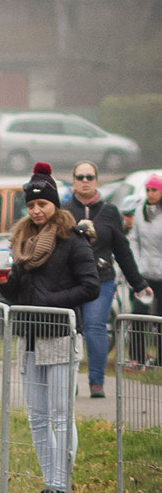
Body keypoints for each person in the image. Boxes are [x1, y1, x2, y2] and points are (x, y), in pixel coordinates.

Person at [0, 162, 98, 493]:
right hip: (30, 338)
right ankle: (50, 485)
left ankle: (60, 486)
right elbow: (18, 294)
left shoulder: (72, 240)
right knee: (37, 416)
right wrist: (4, 282)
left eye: (43, 204)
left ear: (55, 204)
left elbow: (91, 286)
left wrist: (51, 303)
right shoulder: (23, 242)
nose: (37, 211)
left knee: (59, 413)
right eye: (32, 206)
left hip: (60, 335)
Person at [61, 161, 152, 397]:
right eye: (80, 177)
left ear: (96, 180)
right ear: (73, 181)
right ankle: (71, 380)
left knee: (95, 327)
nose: (84, 181)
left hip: (101, 279)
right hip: (70, 281)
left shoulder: (110, 212)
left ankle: (97, 382)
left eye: (89, 177)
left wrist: (138, 283)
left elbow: (122, 250)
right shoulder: (64, 212)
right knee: (71, 329)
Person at [126, 173, 162, 369]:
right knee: (139, 316)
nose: (150, 193)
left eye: (154, 190)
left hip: (161, 275)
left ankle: (160, 360)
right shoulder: (140, 212)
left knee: (160, 320)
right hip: (143, 275)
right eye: (148, 190)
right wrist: (136, 265)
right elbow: (134, 239)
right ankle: (138, 358)